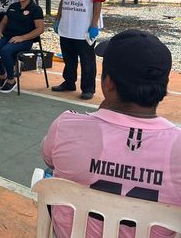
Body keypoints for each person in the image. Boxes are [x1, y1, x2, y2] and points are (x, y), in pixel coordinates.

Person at [41, 30, 181, 238]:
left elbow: (48, 158)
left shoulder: (67, 126)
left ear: (108, 83)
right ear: (164, 86)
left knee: (51, 170)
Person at [52, 0, 106, 100]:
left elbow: (98, 2)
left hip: (84, 27)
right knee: (69, 58)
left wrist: (94, 25)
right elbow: (63, 0)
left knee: (87, 60)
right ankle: (69, 82)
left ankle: (88, 88)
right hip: (67, 26)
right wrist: (58, 19)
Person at [0, 0, 44, 93]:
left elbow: (40, 29)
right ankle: (3, 75)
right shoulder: (13, 6)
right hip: (7, 37)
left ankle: (11, 80)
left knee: (5, 51)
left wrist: (22, 38)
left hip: (25, 40)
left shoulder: (35, 9)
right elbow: (3, 23)